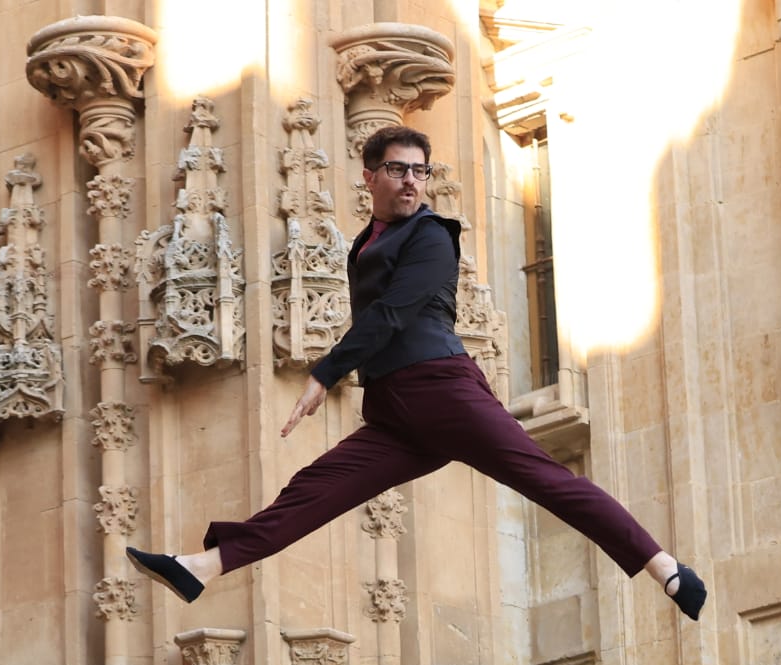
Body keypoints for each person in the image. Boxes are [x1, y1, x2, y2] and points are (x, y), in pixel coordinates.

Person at [127, 125, 707, 620]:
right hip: (395, 411)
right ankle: (201, 567)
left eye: (420, 171)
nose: (411, 181)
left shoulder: (432, 235)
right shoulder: (365, 243)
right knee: (316, 487)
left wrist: (325, 373)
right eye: (398, 169)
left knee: (546, 479)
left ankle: (664, 567)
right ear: (369, 177)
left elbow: (393, 311)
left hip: (441, 391)